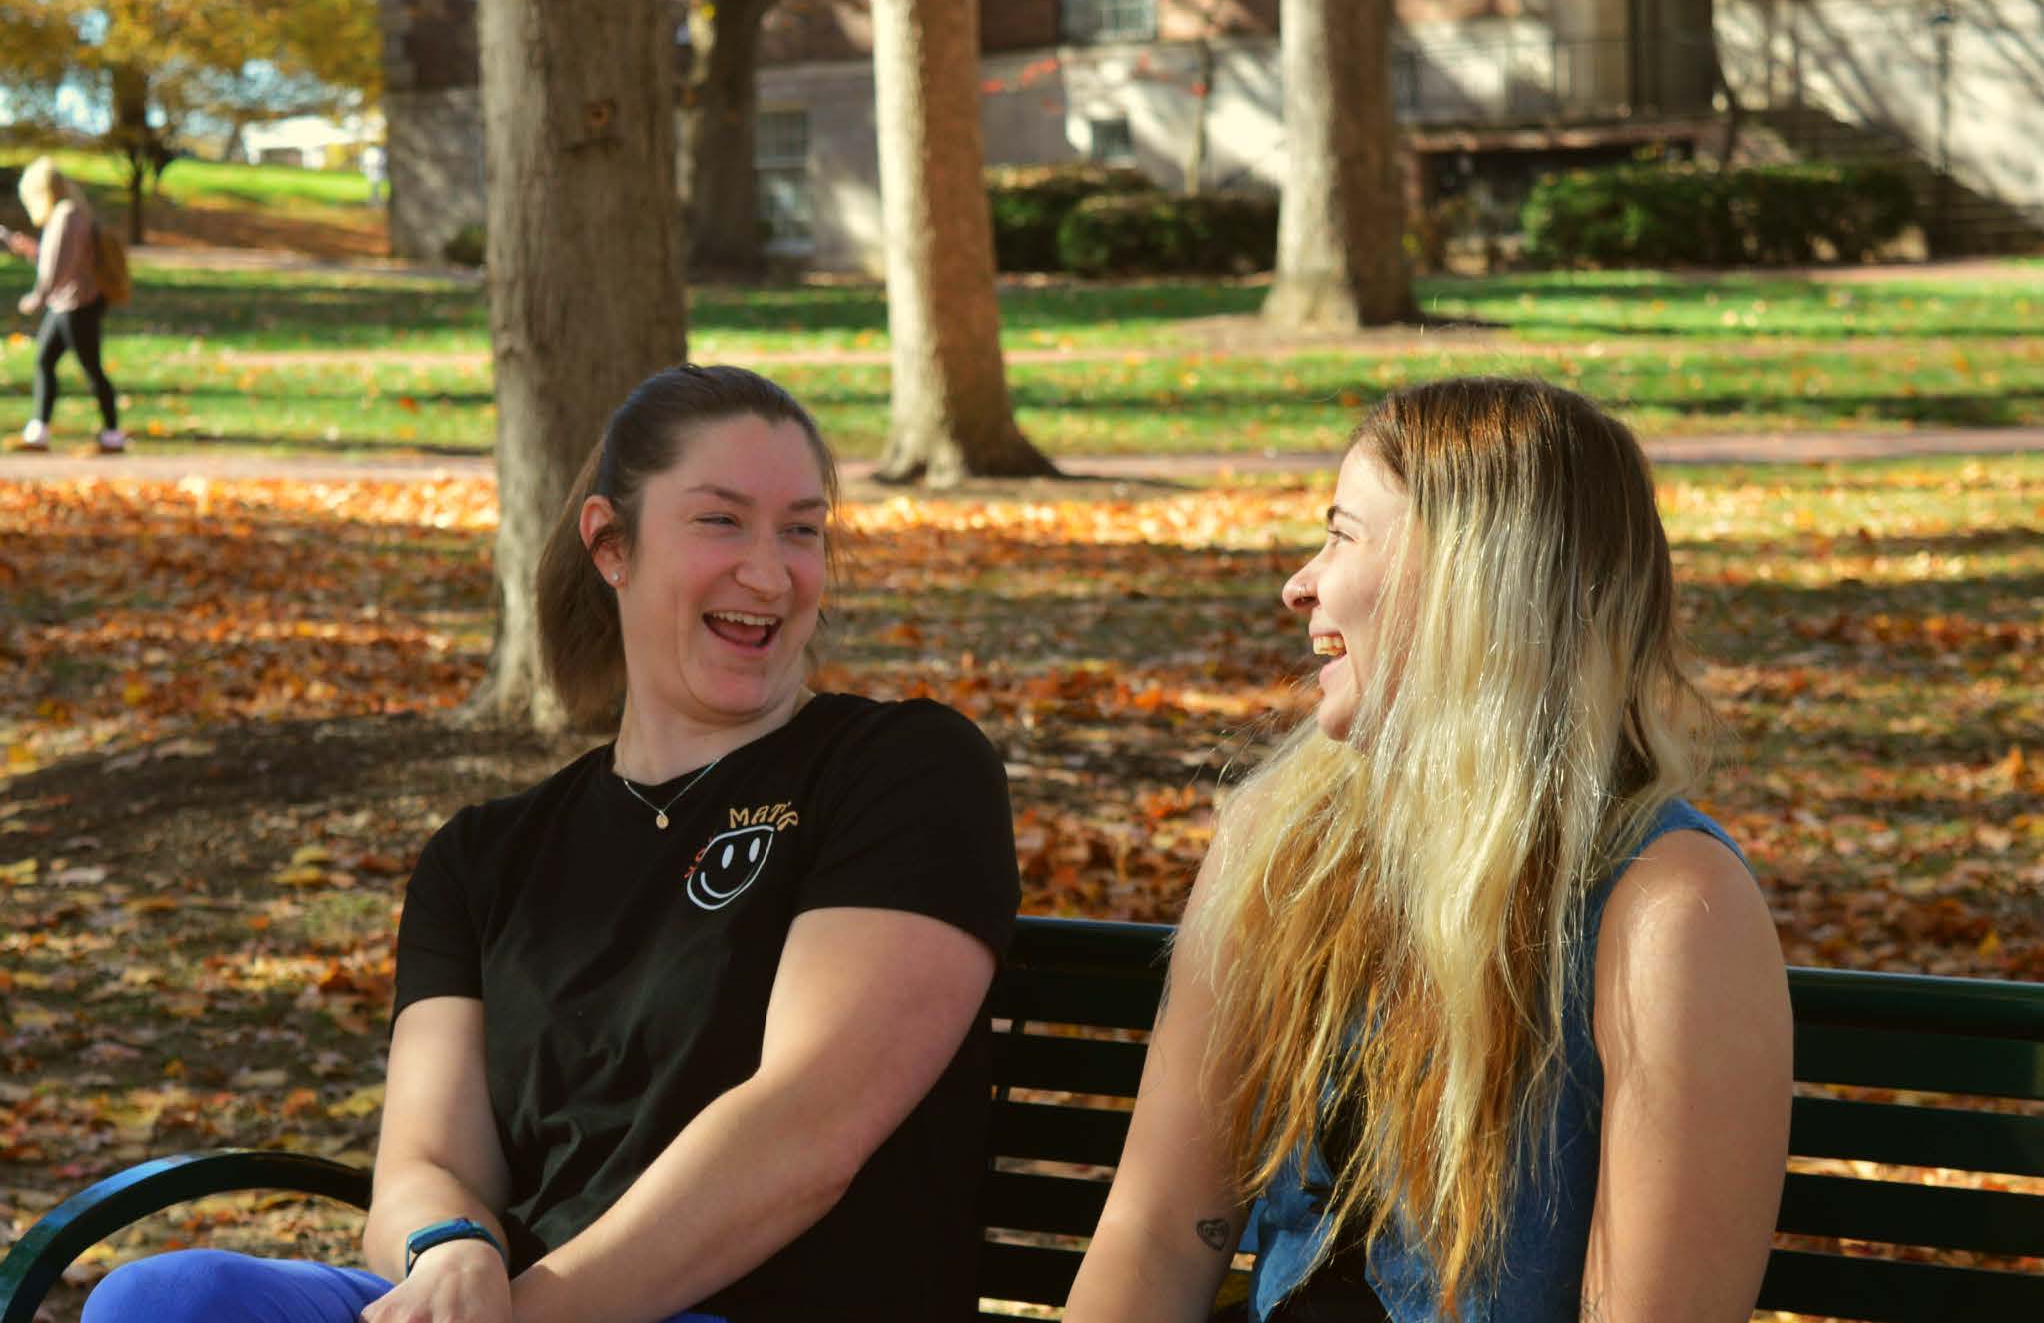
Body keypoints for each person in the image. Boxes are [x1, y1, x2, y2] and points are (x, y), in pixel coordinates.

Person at [82, 363, 1022, 1323]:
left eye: (801, 529)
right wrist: (449, 1250)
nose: (770, 573)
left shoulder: (902, 770)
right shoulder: (484, 856)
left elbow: (805, 1132)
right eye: (721, 521)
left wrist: (525, 1316)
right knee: (165, 1296)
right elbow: (428, 1160)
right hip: (516, 1306)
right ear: (612, 544)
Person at [1065, 377, 1791, 1323]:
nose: (1300, 584)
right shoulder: (1282, 842)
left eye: (1340, 535)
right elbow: (1157, 1232)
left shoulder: (1669, 910)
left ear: (1471, 583)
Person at [4, 157, 124, 453]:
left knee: (90, 367)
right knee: (45, 361)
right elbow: (61, 259)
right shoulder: (70, 213)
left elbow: (59, 266)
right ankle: (38, 432)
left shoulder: (66, 215)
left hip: (78, 303)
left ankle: (112, 435)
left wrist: (37, 296)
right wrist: (33, 251)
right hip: (67, 302)